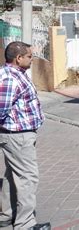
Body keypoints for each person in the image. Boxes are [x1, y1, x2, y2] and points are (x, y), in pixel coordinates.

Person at [0, 42, 51, 230]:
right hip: (17, 136)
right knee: (28, 178)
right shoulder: (10, 79)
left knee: (11, 175)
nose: (32, 59)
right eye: (29, 56)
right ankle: (25, 224)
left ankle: (7, 215)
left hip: (16, 134)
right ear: (18, 58)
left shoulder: (14, 74)